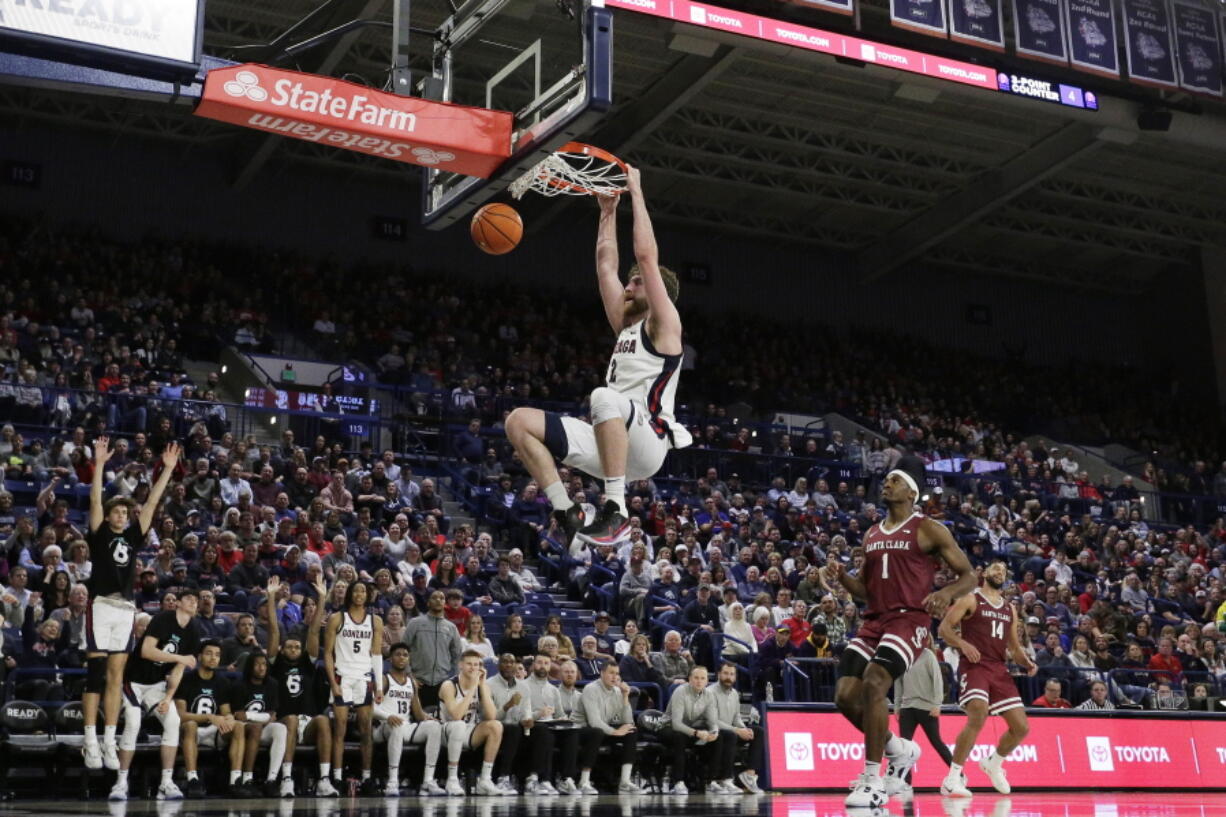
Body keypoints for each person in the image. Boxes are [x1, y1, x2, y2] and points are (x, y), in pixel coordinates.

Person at [504, 166, 693, 548]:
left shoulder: (665, 322)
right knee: (518, 421)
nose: (628, 284)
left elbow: (645, 254)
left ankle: (617, 510)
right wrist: (607, 212)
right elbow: (606, 265)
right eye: (631, 279)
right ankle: (566, 511)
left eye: (637, 281)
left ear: (657, 291)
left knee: (603, 396)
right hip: (611, 440)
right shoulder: (624, 324)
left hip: (648, 440)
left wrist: (636, 191)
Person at [827, 464, 977, 807]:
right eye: (886, 480)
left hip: (909, 620)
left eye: (895, 480)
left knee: (875, 682)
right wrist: (840, 576)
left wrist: (946, 593)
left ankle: (873, 779)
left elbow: (969, 575)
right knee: (844, 697)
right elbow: (865, 592)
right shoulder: (872, 534)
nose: (887, 483)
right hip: (874, 619)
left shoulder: (928, 529)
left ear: (911, 493)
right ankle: (899, 750)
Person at [83, 437, 181, 770]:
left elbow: (151, 505)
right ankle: (89, 740)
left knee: (115, 676)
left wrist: (165, 471)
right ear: (109, 515)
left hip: (126, 609)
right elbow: (95, 499)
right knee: (95, 675)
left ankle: (109, 741)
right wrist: (98, 465)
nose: (122, 515)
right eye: (118, 511)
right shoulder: (99, 533)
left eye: (125, 511)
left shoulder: (134, 535)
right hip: (100, 605)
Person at [938, 560, 1037, 797]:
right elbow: (944, 629)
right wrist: (962, 643)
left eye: (1003, 570)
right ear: (984, 573)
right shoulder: (971, 599)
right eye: (995, 568)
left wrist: (1028, 663)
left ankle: (993, 763)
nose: (999, 572)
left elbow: (1014, 647)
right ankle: (953, 777)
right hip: (975, 666)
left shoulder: (1009, 608)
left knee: (1021, 727)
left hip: (998, 668)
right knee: (978, 713)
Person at [110, 588, 200, 802]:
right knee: (133, 722)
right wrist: (181, 657)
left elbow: (178, 670)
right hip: (133, 680)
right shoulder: (162, 619)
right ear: (177, 603)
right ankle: (121, 782)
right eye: (189, 599)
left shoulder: (194, 631)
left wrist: (168, 699)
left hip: (157, 684)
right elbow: (146, 651)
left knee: (173, 721)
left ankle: (166, 783)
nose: (194, 602)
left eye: (196, 600)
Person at [266, 574, 337, 797]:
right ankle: (286, 778)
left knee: (324, 720)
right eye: (290, 647)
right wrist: (270, 597)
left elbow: (314, 631)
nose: (295, 649)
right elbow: (274, 629)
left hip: (307, 723)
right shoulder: (276, 664)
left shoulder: (308, 663)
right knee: (292, 720)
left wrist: (322, 598)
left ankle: (324, 779)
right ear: (282, 649)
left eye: (298, 647)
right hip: (285, 722)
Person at [323, 580, 384, 794]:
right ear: (350, 594)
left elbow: (376, 654)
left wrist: (378, 686)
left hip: (364, 677)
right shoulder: (337, 618)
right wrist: (333, 682)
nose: (360, 594)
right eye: (356, 590)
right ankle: (337, 777)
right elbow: (327, 654)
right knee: (339, 729)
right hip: (342, 676)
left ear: (368, 595)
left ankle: (367, 778)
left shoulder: (375, 620)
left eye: (363, 591)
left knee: (366, 729)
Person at [176, 640, 249, 797]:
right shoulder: (186, 679)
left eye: (217, 655)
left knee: (239, 726)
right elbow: (180, 715)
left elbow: (225, 711)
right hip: (189, 732)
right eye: (209, 654)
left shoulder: (222, 681)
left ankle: (235, 781)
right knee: (190, 725)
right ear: (200, 656)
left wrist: (229, 718)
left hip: (212, 731)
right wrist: (209, 717)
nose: (213, 658)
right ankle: (192, 779)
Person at [375, 642, 447, 796]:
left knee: (434, 728)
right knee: (397, 725)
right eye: (398, 654)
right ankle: (393, 781)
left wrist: (430, 719)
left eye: (405, 655)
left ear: (409, 659)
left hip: (405, 725)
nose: (402, 658)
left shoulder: (411, 683)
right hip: (383, 726)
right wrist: (388, 716)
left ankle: (428, 781)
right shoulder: (383, 680)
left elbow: (419, 713)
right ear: (390, 659)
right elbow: (370, 709)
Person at [439, 649, 506, 796]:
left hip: (469, 732)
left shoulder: (482, 686)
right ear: (460, 666)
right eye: (469, 664)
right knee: (459, 725)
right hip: (445, 733)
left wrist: (481, 686)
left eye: (477, 665)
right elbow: (456, 715)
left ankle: (485, 780)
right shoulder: (449, 685)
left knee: (496, 726)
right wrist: (471, 690)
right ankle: (452, 779)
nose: (473, 668)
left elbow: (492, 715)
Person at [230, 647, 290, 797]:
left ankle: (271, 780)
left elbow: (272, 715)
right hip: (242, 730)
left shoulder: (272, 684)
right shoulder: (239, 685)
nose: (261, 667)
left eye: (264, 664)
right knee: (255, 727)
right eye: (257, 664)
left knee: (281, 728)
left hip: (261, 726)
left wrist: (251, 715)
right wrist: (261, 718)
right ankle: (247, 779)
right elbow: (238, 716)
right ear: (250, 666)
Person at [575, 660, 641, 794]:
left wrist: (625, 696)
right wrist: (615, 732)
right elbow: (594, 722)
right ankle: (584, 781)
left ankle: (625, 782)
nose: (615, 677)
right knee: (596, 732)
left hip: (602, 730)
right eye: (611, 673)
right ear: (602, 673)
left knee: (631, 731)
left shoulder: (617, 691)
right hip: (579, 730)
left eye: (617, 674)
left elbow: (628, 721)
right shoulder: (590, 689)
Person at [892, 644, 953, 788]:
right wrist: (897, 705)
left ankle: (958, 775)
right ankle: (906, 782)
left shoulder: (928, 655)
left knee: (937, 742)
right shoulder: (903, 655)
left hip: (927, 708)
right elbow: (898, 682)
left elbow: (937, 680)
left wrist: (937, 703)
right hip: (907, 707)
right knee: (904, 748)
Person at [659, 664, 724, 794]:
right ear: (690, 679)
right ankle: (678, 782)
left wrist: (714, 732)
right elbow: (676, 724)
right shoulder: (680, 691)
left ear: (707, 681)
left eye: (702, 678)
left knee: (718, 738)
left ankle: (711, 781)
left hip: (691, 730)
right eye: (696, 678)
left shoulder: (709, 695)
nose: (699, 681)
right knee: (679, 736)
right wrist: (697, 733)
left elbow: (712, 721)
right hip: (667, 728)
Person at [404, 590, 464, 712]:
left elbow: (457, 655)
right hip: (418, 682)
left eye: (441, 598)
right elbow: (402, 650)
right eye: (434, 598)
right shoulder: (415, 623)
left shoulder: (451, 627)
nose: (438, 600)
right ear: (428, 603)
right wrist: (409, 675)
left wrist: (452, 680)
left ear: (444, 603)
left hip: (442, 683)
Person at [712, 661, 764, 793]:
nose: (728, 677)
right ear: (719, 674)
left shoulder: (734, 693)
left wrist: (744, 729)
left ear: (735, 677)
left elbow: (736, 717)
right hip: (715, 732)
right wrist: (737, 730)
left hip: (731, 731)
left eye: (731, 674)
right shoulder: (710, 692)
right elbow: (712, 720)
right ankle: (726, 779)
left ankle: (749, 774)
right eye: (725, 673)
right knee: (732, 735)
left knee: (758, 731)